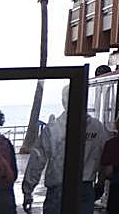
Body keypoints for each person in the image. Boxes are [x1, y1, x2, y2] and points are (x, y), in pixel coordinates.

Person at [22, 86, 111, 214]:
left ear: (64, 102)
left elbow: (37, 160)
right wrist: (101, 183)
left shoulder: (53, 129)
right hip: (85, 188)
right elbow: (105, 156)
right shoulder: (97, 128)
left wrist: (28, 190)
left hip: (58, 189)